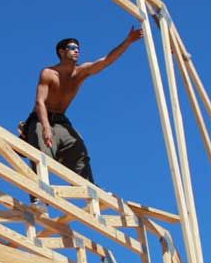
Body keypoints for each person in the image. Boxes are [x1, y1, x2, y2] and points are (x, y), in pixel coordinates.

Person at [19, 27, 143, 185]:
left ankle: (89, 191)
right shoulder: (49, 73)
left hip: (61, 121)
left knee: (79, 151)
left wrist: (128, 41)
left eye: (78, 48)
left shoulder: (80, 72)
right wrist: (45, 128)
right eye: (72, 48)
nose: (76, 51)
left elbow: (106, 61)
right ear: (62, 52)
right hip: (41, 119)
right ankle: (39, 199)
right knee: (42, 156)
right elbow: (40, 102)